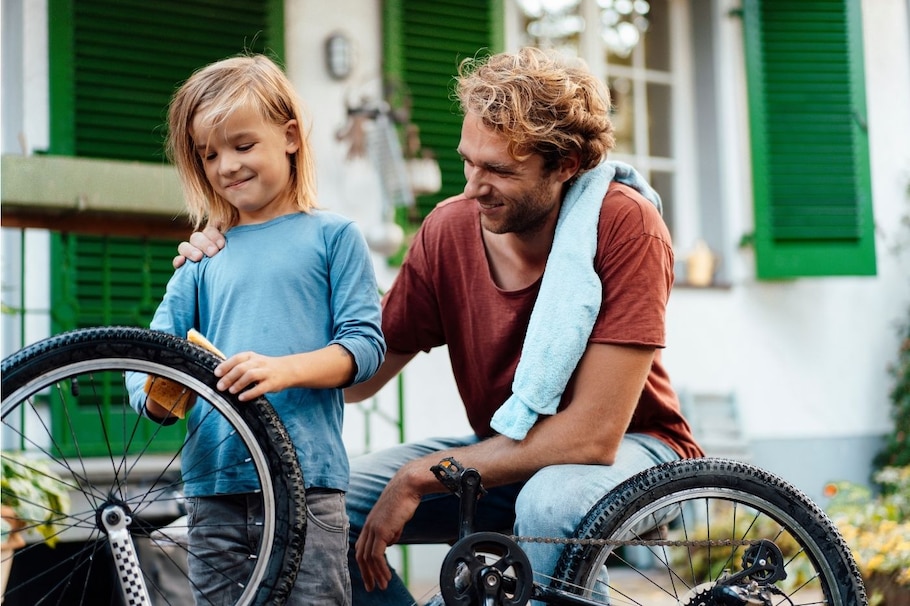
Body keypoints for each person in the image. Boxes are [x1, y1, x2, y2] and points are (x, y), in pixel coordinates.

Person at [176, 47, 702, 605]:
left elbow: (592, 437)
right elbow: (358, 375)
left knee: (550, 500)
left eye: (498, 170)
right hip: (503, 449)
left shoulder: (625, 225)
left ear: (566, 164)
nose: (473, 186)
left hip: (633, 453)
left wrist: (420, 477)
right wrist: (249, 263)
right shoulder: (449, 230)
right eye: (468, 161)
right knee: (316, 506)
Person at [130, 54, 385, 605]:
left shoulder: (334, 237)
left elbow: (364, 348)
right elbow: (151, 355)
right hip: (214, 489)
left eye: (243, 146)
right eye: (210, 154)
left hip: (307, 488)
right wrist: (155, 397)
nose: (226, 166)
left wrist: (282, 370)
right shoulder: (204, 255)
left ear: (290, 136)